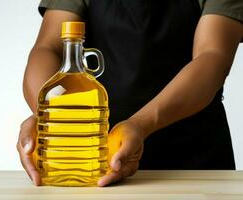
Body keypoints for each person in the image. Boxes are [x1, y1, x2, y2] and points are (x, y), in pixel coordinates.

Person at [17, 0, 243, 187]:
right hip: (101, 162)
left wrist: (139, 124)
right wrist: (49, 116)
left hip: (196, 161)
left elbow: (212, 55)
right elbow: (49, 47)